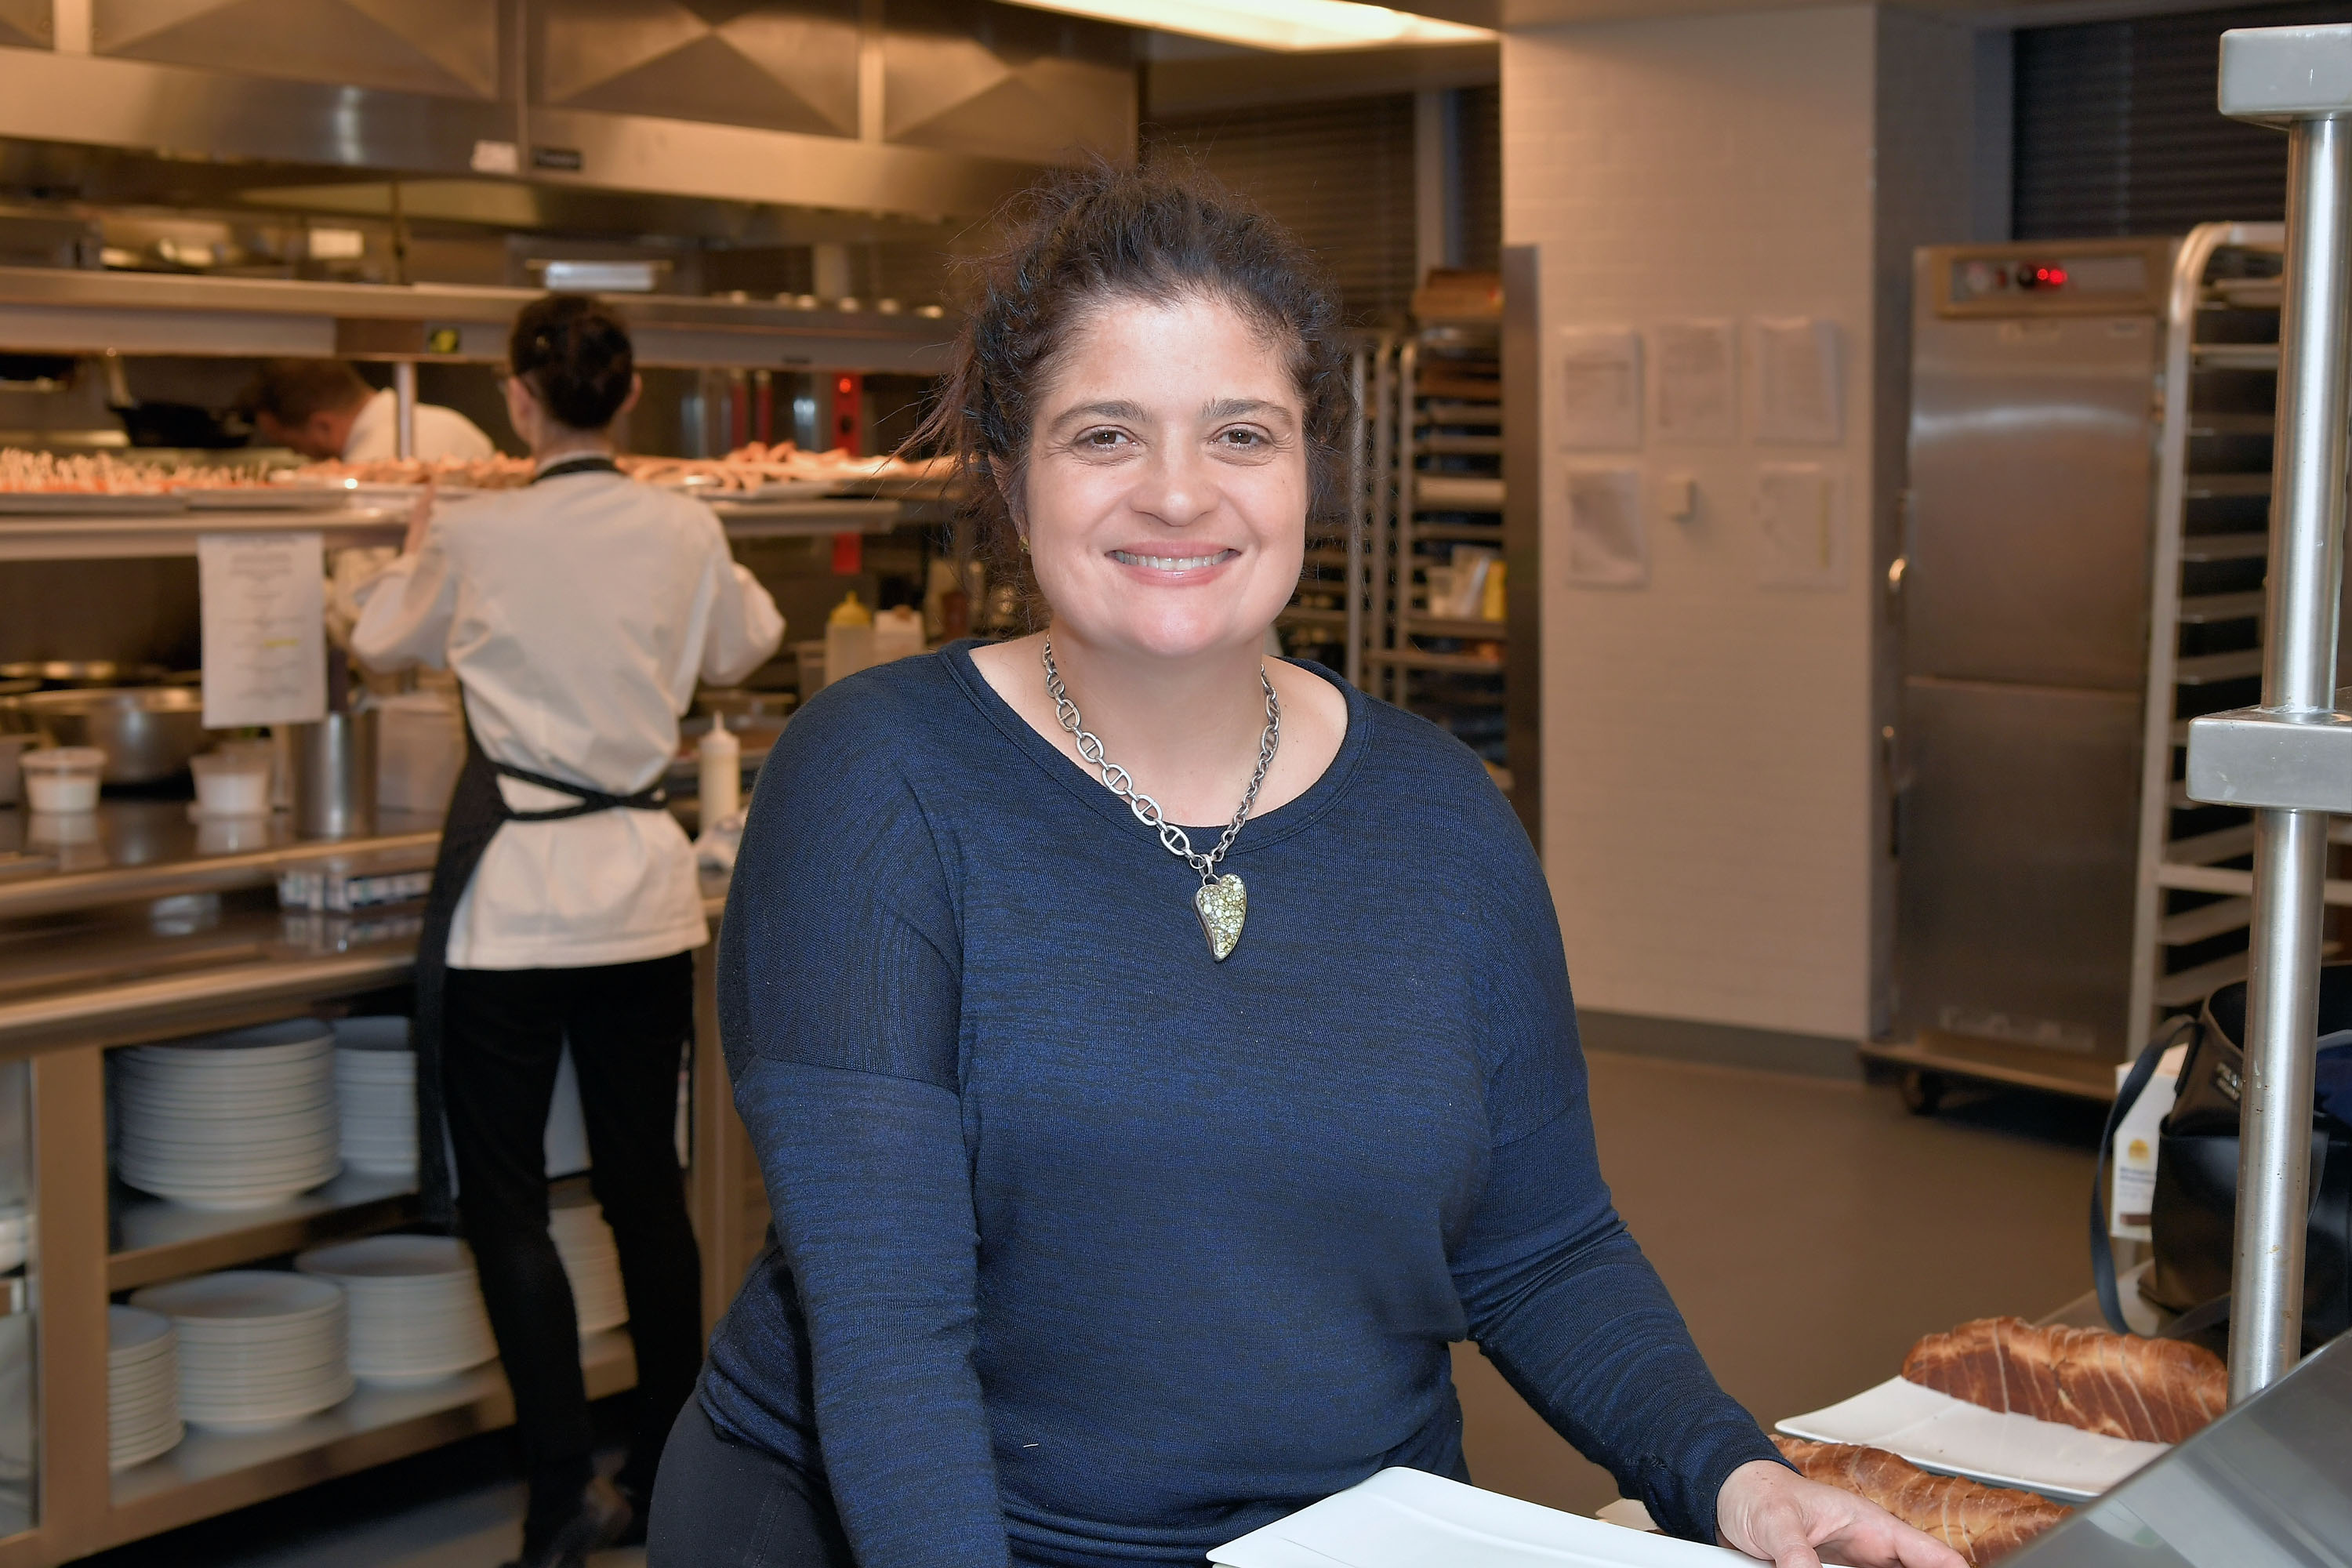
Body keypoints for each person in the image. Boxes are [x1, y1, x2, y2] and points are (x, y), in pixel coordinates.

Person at [652, 165, 1963, 1568]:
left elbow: (1541, 1248)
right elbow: (889, 1337)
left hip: (1348, 1533)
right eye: (1105, 434)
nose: (1176, 494)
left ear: (1309, 467)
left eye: (1240, 433)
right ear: (1004, 471)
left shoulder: (1440, 810)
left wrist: (1739, 1482)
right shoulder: (878, 780)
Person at [350, 295, 785, 1568]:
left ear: (519, 400)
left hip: (512, 909)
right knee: (646, 1191)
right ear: (631, 396)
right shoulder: (680, 520)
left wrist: (416, 537)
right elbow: (745, 649)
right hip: (640, 894)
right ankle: (663, 1479)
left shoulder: (479, 528)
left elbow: (377, 640)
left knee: (509, 1204)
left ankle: (554, 1503)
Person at [243, 358, 495, 463]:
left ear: (323, 426)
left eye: (294, 447)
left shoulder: (364, 471)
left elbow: (363, 575)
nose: (304, 459)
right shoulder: (454, 424)